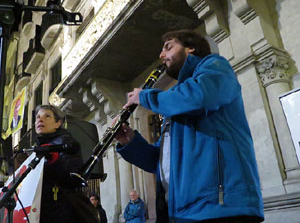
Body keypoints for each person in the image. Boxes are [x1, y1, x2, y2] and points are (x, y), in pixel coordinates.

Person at [115, 30, 264, 222]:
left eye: (168, 47)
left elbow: (201, 96)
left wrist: (145, 96)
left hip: (220, 206)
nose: (161, 56)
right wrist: (130, 141)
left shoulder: (215, 66)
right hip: (183, 211)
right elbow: (162, 162)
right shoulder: (177, 102)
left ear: (191, 48)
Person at [35, 104, 99, 223]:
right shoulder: (38, 147)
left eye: (47, 116)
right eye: (38, 117)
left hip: (62, 210)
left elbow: (74, 175)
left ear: (58, 123)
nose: (40, 119)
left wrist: (54, 160)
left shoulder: (65, 142)